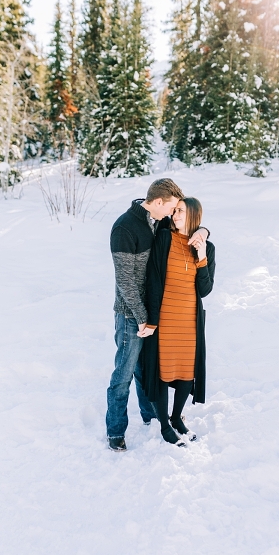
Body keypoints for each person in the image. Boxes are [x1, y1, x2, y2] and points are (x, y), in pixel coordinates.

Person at [106, 178, 208, 452]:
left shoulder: (158, 221)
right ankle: (115, 431)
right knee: (124, 375)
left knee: (145, 371)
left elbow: (189, 225)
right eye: (172, 208)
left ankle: (150, 416)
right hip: (131, 315)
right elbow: (125, 281)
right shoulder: (125, 228)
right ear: (159, 203)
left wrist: (205, 232)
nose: (173, 214)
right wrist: (143, 318)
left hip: (152, 313)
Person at [139, 197, 215, 447]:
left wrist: (202, 253)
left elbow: (205, 290)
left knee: (186, 373)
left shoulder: (208, 248)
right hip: (165, 318)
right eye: (175, 210)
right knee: (162, 372)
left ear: (193, 214)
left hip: (189, 320)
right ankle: (163, 426)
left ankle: (176, 418)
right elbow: (153, 280)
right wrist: (151, 318)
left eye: (180, 211)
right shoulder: (164, 237)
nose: (175, 214)